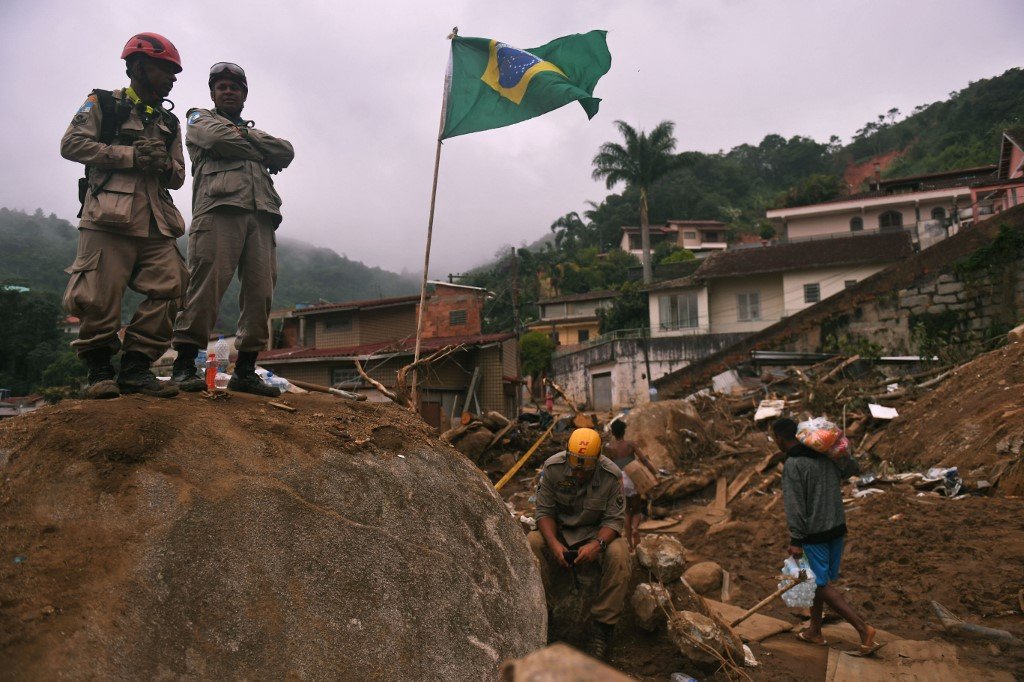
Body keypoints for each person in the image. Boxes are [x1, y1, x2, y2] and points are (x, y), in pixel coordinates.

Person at [60, 32, 188, 399]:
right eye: (165, 69)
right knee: (98, 295)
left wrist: (162, 162)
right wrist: (129, 155)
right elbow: (71, 144)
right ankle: (100, 371)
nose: (172, 78)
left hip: (155, 220)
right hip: (107, 217)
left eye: (174, 72)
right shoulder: (102, 103)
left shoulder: (169, 122)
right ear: (137, 67)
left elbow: (178, 177)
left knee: (173, 287)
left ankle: (136, 367)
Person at [169, 62, 294, 396]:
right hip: (218, 211)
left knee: (261, 292)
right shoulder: (199, 118)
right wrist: (257, 149)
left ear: (244, 95)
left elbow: (286, 151)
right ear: (212, 93)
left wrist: (244, 136)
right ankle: (182, 364)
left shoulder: (251, 131)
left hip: (261, 215)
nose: (228, 91)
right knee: (205, 285)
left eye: (234, 87)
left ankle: (246, 370)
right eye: (221, 87)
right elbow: (212, 137)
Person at [772, 417, 881, 655]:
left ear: (780, 438)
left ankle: (863, 630)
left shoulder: (794, 464)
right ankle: (814, 631)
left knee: (818, 585)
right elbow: (851, 469)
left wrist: (796, 540)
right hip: (837, 528)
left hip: (814, 533)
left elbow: (795, 505)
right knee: (817, 580)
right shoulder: (825, 455)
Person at [528, 427, 629, 660]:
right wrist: (553, 544)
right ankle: (545, 616)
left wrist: (598, 545)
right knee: (532, 542)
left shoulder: (612, 475)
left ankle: (602, 628)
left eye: (585, 469)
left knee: (620, 554)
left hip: (595, 534)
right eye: (574, 467)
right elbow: (543, 512)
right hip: (561, 532)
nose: (578, 474)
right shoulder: (553, 468)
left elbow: (614, 520)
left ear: (597, 459)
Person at [605, 419, 659, 551]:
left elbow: (607, 466)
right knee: (636, 510)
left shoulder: (609, 448)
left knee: (626, 511)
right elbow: (644, 460)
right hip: (632, 476)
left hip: (619, 480)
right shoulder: (631, 444)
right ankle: (635, 529)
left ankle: (629, 544)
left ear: (613, 432)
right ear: (624, 431)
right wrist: (654, 472)